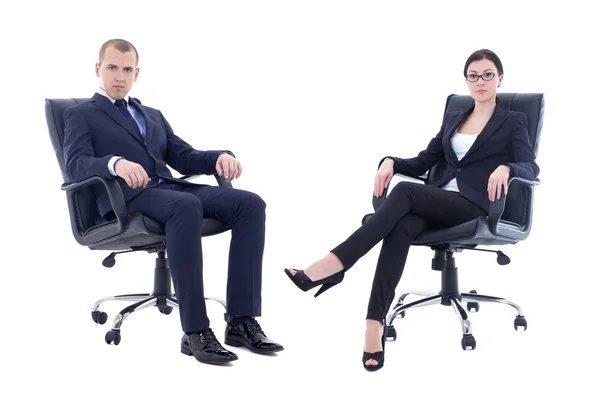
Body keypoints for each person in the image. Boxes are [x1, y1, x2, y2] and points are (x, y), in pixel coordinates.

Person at [285, 49, 539, 371]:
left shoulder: (513, 120)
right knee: (401, 226)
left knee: (405, 191)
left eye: (488, 74)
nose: (480, 81)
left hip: (475, 206)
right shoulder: (454, 118)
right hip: (437, 203)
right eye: (473, 76)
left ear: (500, 79)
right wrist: (390, 161)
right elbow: (423, 161)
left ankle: (335, 263)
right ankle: (374, 325)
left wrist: (507, 167)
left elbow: (530, 167)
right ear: (466, 81)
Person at [63, 38, 283, 365]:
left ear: (136, 74)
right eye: (112, 68)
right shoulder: (81, 114)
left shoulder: (151, 114)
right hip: (127, 198)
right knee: (186, 206)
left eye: (126, 69)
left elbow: (182, 156)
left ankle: (240, 321)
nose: (119, 76)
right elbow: (76, 164)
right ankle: (195, 332)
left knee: (250, 204)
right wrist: (115, 163)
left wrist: (219, 157)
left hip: (169, 189)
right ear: (98, 69)